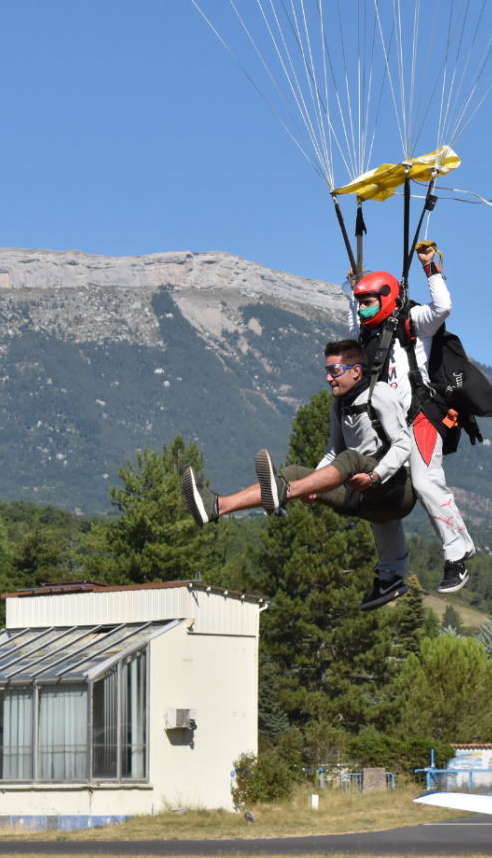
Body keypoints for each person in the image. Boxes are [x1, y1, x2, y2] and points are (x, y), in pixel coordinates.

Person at [182, 339, 416, 611]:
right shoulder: (339, 405)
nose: (329, 378)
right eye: (327, 371)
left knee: (349, 460)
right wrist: (312, 485)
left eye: (335, 371)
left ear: (356, 371)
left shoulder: (381, 394)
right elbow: (332, 452)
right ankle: (215, 506)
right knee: (293, 472)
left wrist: (375, 477)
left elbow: (403, 445)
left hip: (396, 491)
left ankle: (286, 492)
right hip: (365, 501)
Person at [349, 243, 475, 594]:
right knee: (377, 490)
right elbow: (353, 315)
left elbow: (444, 307)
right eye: (360, 303)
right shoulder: (366, 334)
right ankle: (390, 572)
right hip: (388, 427)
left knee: (424, 482)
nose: (362, 310)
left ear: (387, 297)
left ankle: (458, 553)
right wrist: (355, 284)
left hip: (421, 415)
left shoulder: (414, 323)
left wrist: (430, 267)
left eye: (368, 302)